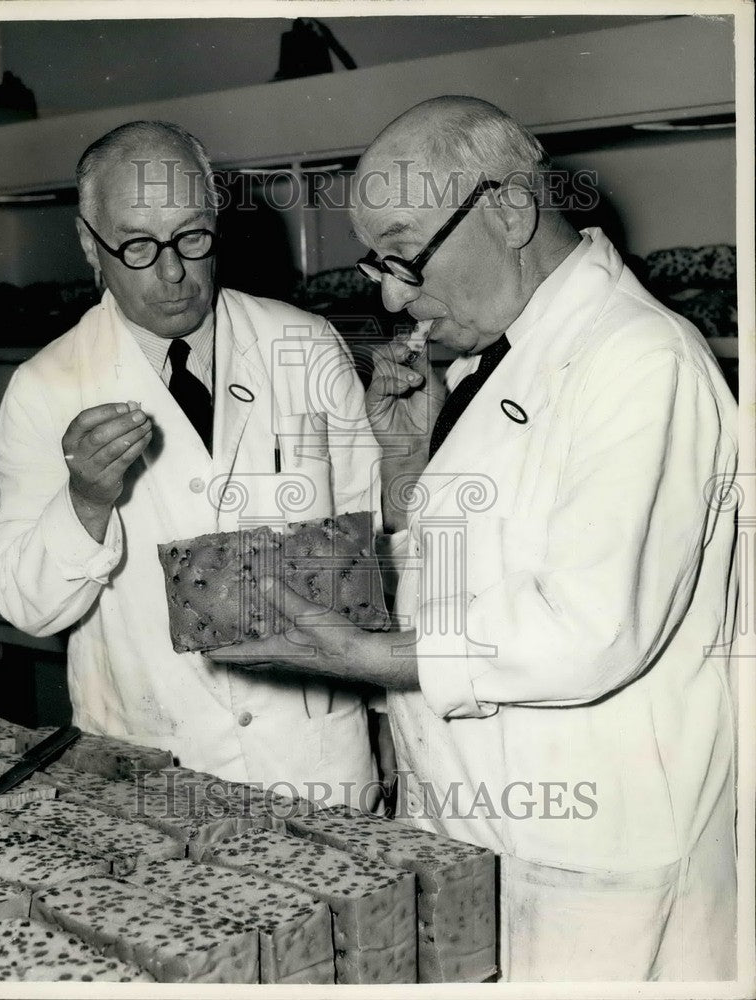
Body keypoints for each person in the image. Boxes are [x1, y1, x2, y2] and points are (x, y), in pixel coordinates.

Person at [216, 97, 739, 981]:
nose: (387, 294)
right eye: (375, 262)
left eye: (404, 256)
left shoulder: (641, 361)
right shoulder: (485, 359)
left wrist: (374, 658)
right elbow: (478, 569)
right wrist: (411, 462)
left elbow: (588, 629)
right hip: (474, 827)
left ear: (507, 209)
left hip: (590, 852)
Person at [0, 120, 383, 802]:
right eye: (137, 246)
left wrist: (387, 723)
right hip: (153, 766)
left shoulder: (305, 343)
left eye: (192, 236)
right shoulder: (44, 386)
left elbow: (370, 545)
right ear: (90, 243)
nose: (173, 273)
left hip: (317, 761)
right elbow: (28, 605)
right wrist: (85, 501)